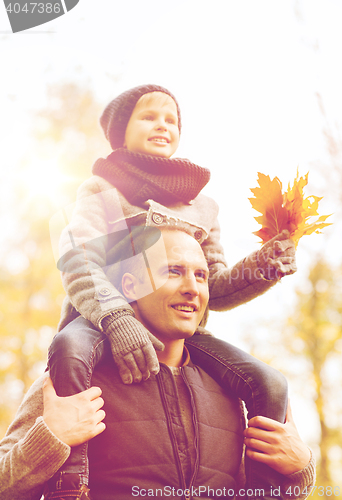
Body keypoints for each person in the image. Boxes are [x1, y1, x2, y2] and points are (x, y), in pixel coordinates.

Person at [49, 84, 297, 497]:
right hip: (101, 318)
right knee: (68, 349)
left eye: (172, 120)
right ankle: (70, 484)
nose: (162, 125)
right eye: (148, 117)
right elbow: (78, 260)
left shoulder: (202, 206)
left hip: (180, 330)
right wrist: (118, 319)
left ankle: (264, 489)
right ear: (120, 134)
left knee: (271, 384)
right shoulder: (103, 191)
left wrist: (266, 263)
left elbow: (212, 288)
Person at [0, 229, 315, 500]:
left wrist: (300, 471)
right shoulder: (73, 385)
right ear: (129, 286)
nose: (192, 288)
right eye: (174, 271)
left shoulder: (232, 391)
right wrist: (49, 439)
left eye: (201, 275)